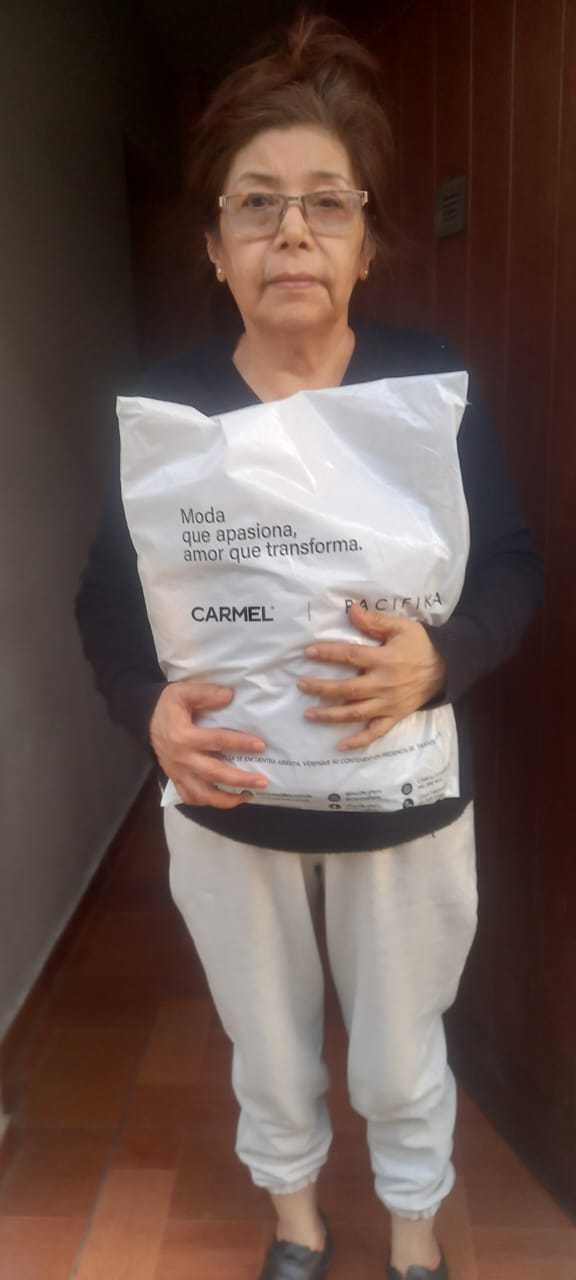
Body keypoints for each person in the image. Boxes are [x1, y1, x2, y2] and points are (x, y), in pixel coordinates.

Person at [75, 15, 543, 1280]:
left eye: (326, 202)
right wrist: (147, 710)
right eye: (258, 203)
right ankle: (297, 1224)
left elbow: (513, 566)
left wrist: (440, 659)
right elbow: (107, 601)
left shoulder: (423, 392)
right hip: (232, 799)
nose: (292, 232)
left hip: (399, 796)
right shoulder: (172, 415)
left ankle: (413, 1229)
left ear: (367, 242)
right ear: (213, 245)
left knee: (400, 1046)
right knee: (267, 1047)